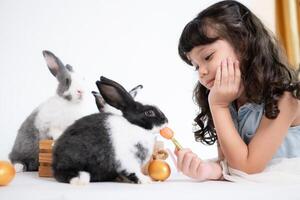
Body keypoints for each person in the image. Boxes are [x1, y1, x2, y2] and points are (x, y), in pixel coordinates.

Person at [175, 0, 300, 181]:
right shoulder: (226, 100)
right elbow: (230, 162)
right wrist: (208, 170)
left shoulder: (284, 98)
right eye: (195, 66)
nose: (202, 72)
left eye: (208, 57)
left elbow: (247, 168)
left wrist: (218, 106)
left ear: (243, 44)